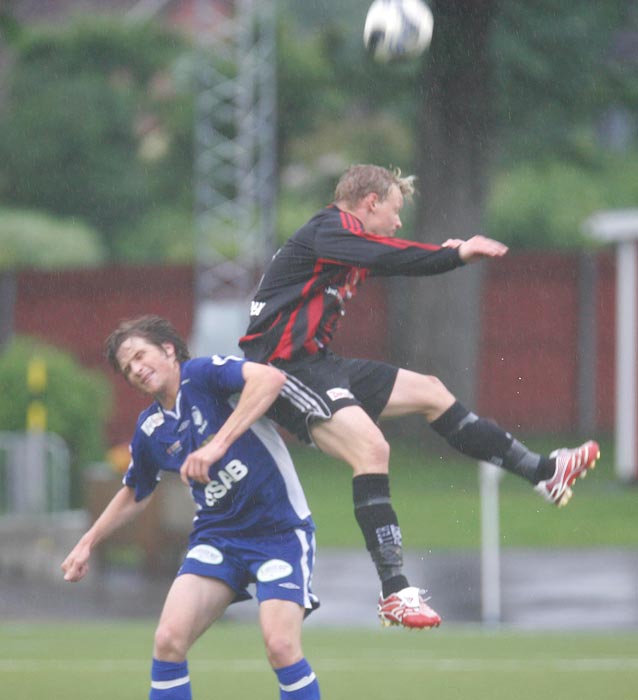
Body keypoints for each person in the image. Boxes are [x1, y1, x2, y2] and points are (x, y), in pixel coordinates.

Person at [239, 163, 600, 630]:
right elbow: (393, 255)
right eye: (394, 210)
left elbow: (393, 257)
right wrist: (456, 255)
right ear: (369, 203)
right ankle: (394, 591)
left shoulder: (345, 244)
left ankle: (544, 472)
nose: (398, 221)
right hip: (281, 371)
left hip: (318, 363)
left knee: (432, 392)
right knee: (373, 449)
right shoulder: (330, 228)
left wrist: (441, 254)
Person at [62, 315, 321, 700]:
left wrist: (216, 446)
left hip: (278, 532)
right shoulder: (151, 428)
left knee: (281, 647)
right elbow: (136, 491)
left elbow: (270, 380)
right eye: (127, 367)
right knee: (168, 640)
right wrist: (87, 542)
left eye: (139, 355)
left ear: (168, 349)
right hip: (217, 539)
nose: (135, 369)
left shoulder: (201, 375)